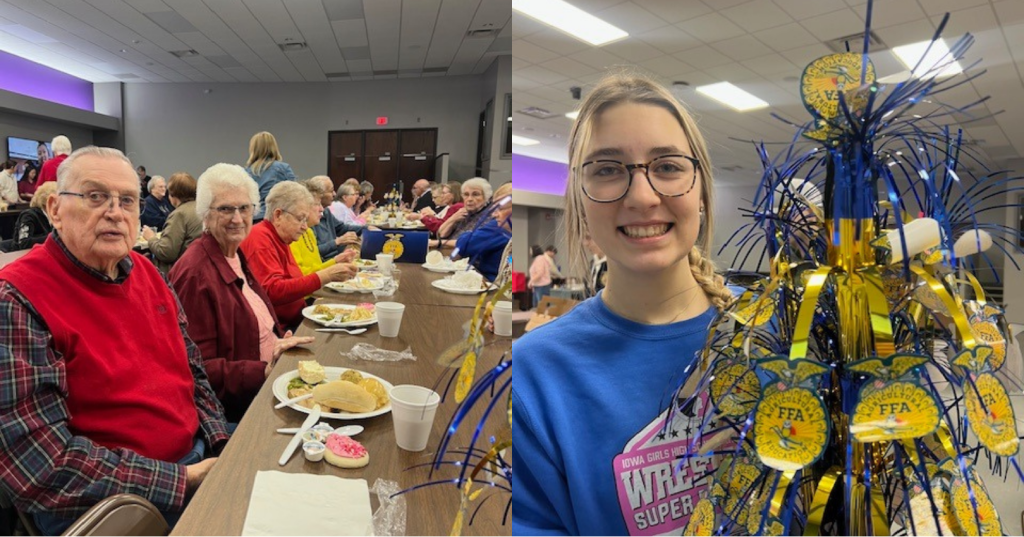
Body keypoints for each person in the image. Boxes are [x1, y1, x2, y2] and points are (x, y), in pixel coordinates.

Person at [511, 73, 735, 535]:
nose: (642, 197)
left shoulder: (780, 331)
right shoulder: (536, 373)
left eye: (668, 166)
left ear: (702, 189)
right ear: (580, 197)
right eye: (608, 169)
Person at [0, 146, 227, 535]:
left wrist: (221, 443)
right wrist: (184, 479)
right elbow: (41, 467)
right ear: (55, 208)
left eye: (127, 200)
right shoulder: (18, 298)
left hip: (196, 456)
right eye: (94, 196)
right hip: (110, 505)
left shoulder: (148, 272)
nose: (114, 212)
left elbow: (193, 371)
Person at [169, 163, 314, 423]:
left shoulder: (233, 254)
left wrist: (278, 342)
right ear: (205, 213)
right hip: (242, 408)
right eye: (225, 209)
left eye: (244, 208)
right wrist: (264, 370)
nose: (237, 218)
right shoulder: (195, 274)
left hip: (270, 381)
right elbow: (196, 368)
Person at [239, 181, 357, 328]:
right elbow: (272, 291)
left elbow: (296, 280)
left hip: (297, 318)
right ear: (278, 215)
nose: (305, 226)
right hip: (282, 328)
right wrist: (326, 276)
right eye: (300, 219)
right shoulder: (260, 238)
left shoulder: (281, 237)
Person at [292, 178, 359, 276]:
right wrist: (334, 265)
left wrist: (336, 261)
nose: (321, 209)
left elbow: (317, 268)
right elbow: (301, 276)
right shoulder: (292, 237)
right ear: (303, 207)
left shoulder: (309, 232)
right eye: (317, 204)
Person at [142, 172, 203, 274]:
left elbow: (166, 253)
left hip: (179, 272)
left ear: (173, 195)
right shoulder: (200, 209)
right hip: (196, 266)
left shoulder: (180, 214)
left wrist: (151, 238)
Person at [455, 182, 511, 282]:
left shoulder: (497, 227)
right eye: (466, 195)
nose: (494, 214)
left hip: (489, 283)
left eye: (500, 209)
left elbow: (466, 245)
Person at [246, 131, 297, 221]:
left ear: (253, 148)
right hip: (273, 218)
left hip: (251, 218)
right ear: (274, 147)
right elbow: (296, 195)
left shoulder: (245, 172)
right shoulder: (283, 168)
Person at [307, 176, 361, 260]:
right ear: (320, 194)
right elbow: (311, 252)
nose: (335, 194)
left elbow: (341, 228)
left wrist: (365, 228)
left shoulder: (326, 211)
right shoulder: (308, 219)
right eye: (331, 191)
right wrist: (337, 242)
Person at [436, 178, 493, 247]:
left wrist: (438, 243)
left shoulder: (489, 215)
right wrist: (453, 218)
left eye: (475, 194)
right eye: (466, 194)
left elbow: (472, 242)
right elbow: (441, 234)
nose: (469, 199)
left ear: (486, 197)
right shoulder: (464, 212)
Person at [12, 182, 57, 251]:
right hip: (21, 255)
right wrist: (53, 237)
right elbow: (24, 243)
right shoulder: (28, 215)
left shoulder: (51, 217)